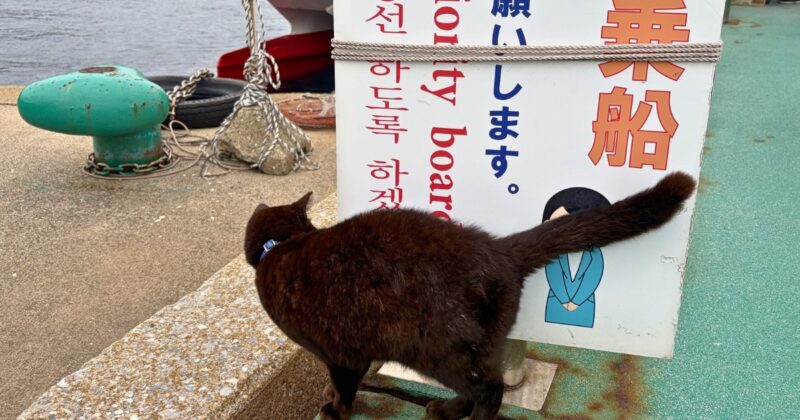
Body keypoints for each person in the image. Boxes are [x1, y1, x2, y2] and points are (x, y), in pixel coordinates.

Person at [541, 187, 611, 328]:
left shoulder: (594, 254)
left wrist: (577, 301)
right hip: (557, 301)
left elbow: (593, 277)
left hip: (583, 303)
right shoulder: (553, 249)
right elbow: (553, 274)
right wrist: (563, 299)